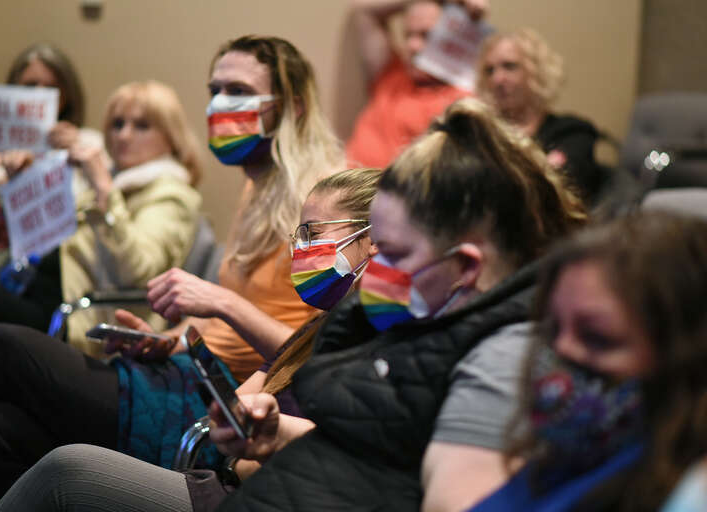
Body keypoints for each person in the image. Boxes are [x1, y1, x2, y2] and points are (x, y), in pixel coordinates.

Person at [200, 97, 585, 512]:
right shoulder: (407, 322)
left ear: (466, 265)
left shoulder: (499, 359)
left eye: (394, 254)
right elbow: (374, 454)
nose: (374, 267)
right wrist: (281, 438)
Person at [0, 167, 380, 512]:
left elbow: (243, 448)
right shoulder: (324, 322)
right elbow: (237, 408)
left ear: (373, 239)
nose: (300, 249)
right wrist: (172, 341)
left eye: (313, 234)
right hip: (205, 404)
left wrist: (223, 305)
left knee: (3, 348)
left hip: (223, 467)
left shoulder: (379, 338)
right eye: (298, 235)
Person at [0, 81, 203, 386]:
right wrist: (22, 184)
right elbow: (40, 241)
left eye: (142, 126)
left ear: (171, 138)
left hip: (69, 320)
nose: (124, 135)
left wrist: (104, 191)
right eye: (117, 124)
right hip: (27, 290)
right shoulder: (114, 181)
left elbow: (138, 271)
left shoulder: (172, 193)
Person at [465, 212, 707, 512]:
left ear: (688, 354)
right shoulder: (571, 458)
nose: (561, 351)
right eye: (553, 330)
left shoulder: (688, 496)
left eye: (597, 338)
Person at [144, 35, 344, 382]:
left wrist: (221, 301)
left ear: (293, 107)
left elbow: (321, 358)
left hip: (253, 397)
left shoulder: (327, 200)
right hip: (201, 372)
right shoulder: (257, 187)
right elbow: (225, 319)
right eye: (215, 90)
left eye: (237, 91)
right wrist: (165, 340)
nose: (218, 104)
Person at [0, 42, 100, 196]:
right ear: (12, 88)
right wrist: (2, 184)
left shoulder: (89, 142)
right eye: (30, 86)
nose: (39, 94)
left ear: (67, 97)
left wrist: (79, 151)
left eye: (51, 88)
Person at [345, 0, 485, 168]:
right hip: (347, 184)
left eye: (426, 35)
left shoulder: (465, 99)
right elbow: (362, 10)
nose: (412, 46)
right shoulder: (391, 73)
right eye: (408, 35)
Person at [476, 28, 604, 203]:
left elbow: (564, 189)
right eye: (489, 71)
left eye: (509, 66)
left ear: (536, 71)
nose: (497, 79)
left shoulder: (573, 132)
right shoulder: (480, 135)